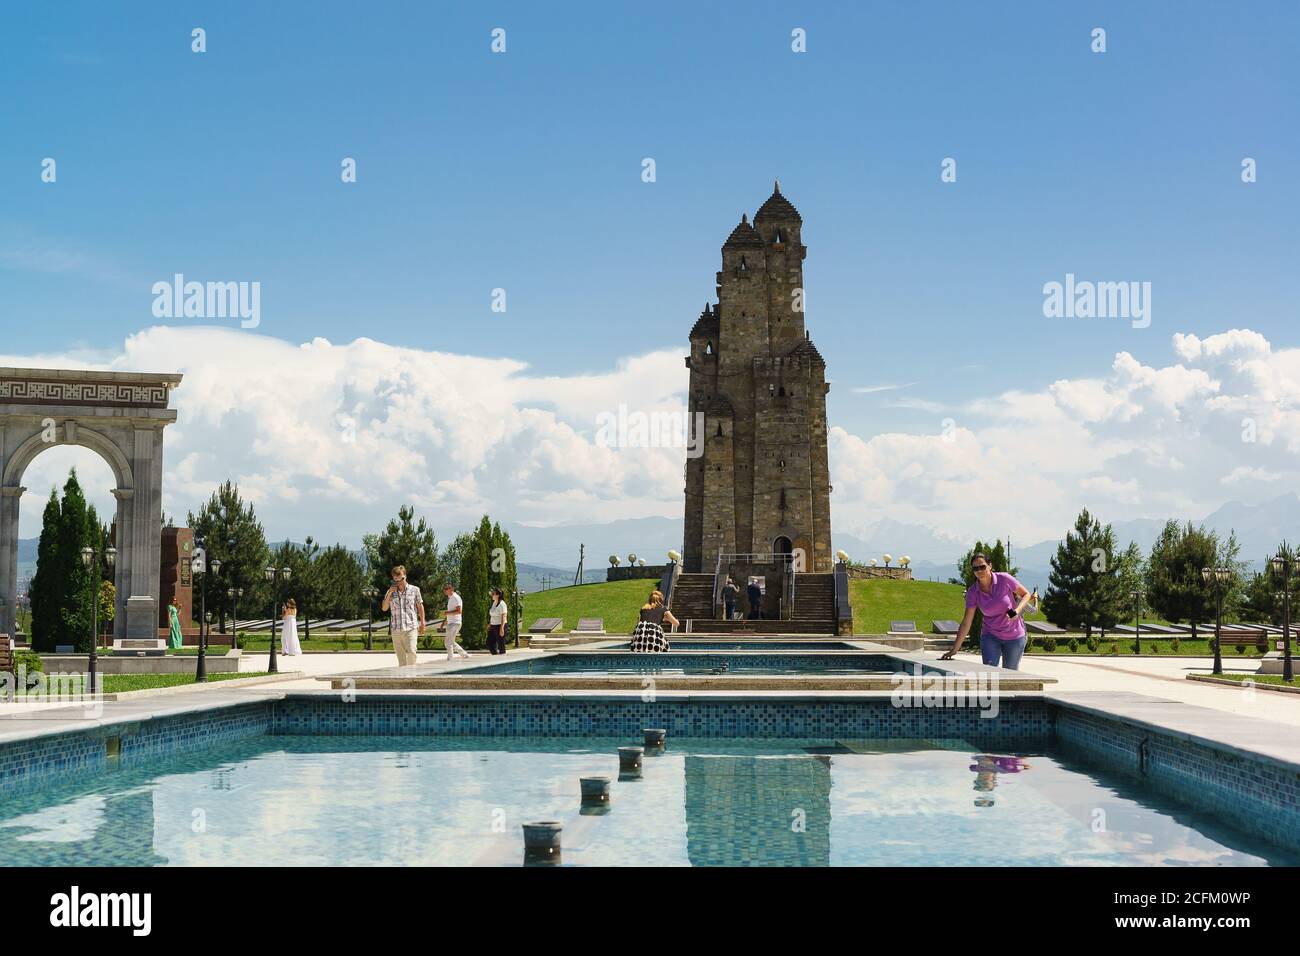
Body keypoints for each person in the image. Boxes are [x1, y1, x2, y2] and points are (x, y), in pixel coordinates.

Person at [941, 552, 1031, 669]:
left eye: (982, 567)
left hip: (1014, 636)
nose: (979, 571)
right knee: (989, 673)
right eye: (975, 568)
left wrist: (1017, 610)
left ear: (990, 566)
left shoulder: (1004, 579)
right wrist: (954, 650)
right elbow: (966, 622)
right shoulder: (973, 592)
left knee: (1010, 674)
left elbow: (1026, 594)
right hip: (990, 636)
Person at [381, 565, 425, 667]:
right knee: (401, 660)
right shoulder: (390, 592)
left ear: (405, 576)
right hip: (396, 629)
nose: (399, 581)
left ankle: (412, 675)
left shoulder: (415, 590)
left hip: (411, 627)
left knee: (412, 652)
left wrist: (422, 622)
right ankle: (404, 679)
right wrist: (389, 594)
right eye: (396, 579)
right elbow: (384, 608)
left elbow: (420, 606)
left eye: (401, 578)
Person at [441, 583, 471, 661]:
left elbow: (459, 611)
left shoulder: (456, 597)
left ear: (451, 589)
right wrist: (444, 623)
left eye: (446, 589)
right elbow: (450, 612)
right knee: (451, 642)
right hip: (452, 623)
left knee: (448, 642)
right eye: (444, 589)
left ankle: (450, 659)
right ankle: (464, 655)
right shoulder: (451, 598)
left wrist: (447, 613)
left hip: (455, 623)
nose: (445, 591)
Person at [487, 588, 509, 655]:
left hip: (500, 625)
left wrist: (501, 628)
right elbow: (493, 615)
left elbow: (504, 616)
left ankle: (503, 660)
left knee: (501, 645)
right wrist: (490, 624)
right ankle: (495, 656)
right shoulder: (494, 602)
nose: (492, 595)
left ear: (498, 595)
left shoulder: (502, 604)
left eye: (493, 594)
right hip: (493, 626)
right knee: (489, 642)